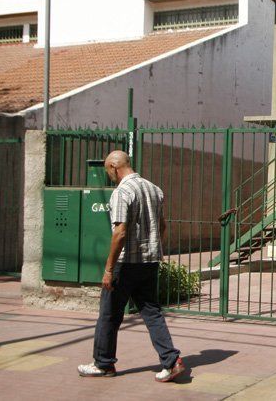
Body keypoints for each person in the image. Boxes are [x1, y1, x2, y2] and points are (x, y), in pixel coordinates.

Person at [77, 150, 185, 382]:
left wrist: (108, 269)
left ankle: (103, 364)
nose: (109, 176)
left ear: (114, 167)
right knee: (151, 312)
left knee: (109, 315)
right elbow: (162, 226)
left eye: (108, 171)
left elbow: (120, 233)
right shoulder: (154, 189)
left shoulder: (122, 192)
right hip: (149, 262)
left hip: (125, 264)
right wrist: (153, 248)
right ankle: (171, 360)